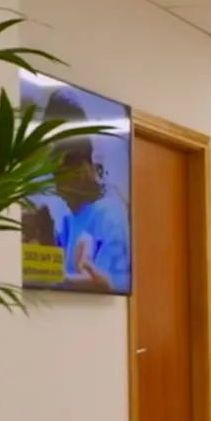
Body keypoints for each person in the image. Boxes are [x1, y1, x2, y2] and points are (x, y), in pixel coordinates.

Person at [44, 90, 130, 293]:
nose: (56, 183)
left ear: (85, 165)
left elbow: (110, 284)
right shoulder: (67, 219)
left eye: (64, 163)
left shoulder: (110, 217)